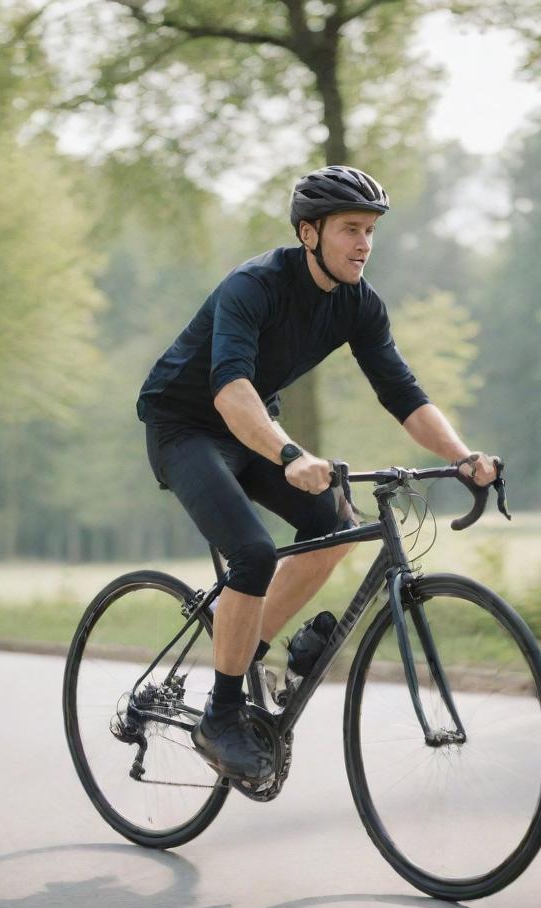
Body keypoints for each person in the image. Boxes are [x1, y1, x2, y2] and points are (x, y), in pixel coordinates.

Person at [137, 165, 498, 782]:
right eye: (351, 230)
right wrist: (288, 455)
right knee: (251, 552)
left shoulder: (359, 305)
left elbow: (403, 394)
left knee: (333, 523)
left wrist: (462, 457)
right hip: (186, 426)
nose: (364, 244)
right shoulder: (254, 286)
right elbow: (230, 389)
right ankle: (220, 718)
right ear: (310, 234)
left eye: (371, 232)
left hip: (251, 427)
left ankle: (247, 652)